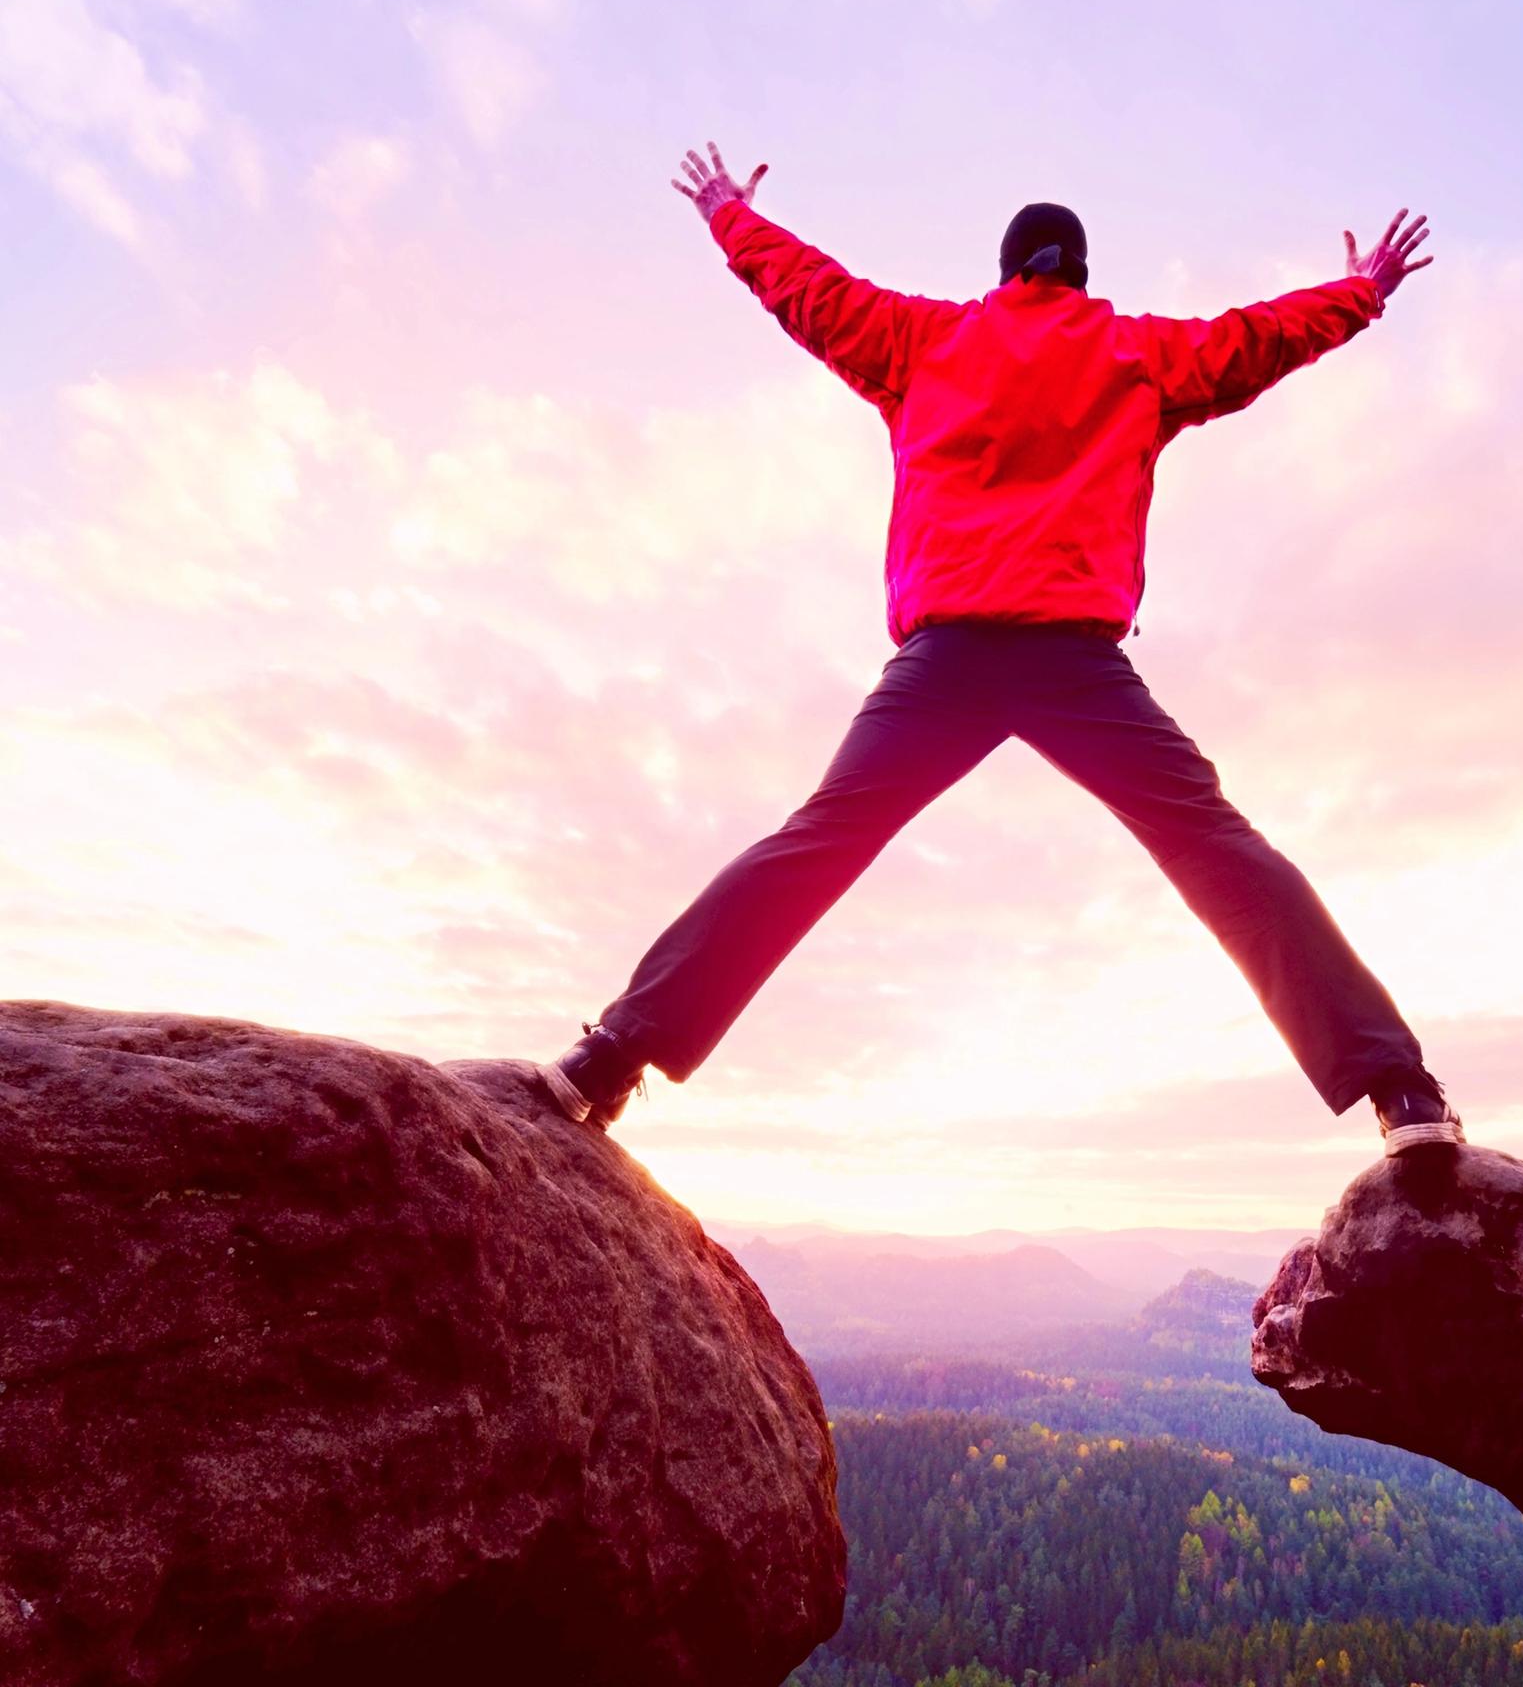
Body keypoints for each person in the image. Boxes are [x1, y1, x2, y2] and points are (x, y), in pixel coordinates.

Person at [541, 140, 1464, 1159]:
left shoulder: (924, 339)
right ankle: (1403, 1096)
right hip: (1076, 660)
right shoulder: (1135, 352)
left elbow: (811, 291)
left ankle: (610, 1059)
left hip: (947, 658)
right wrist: (1361, 291)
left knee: (816, 844)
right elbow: (1256, 340)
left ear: (1007, 270)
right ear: (1079, 272)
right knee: (1218, 850)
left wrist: (728, 214)